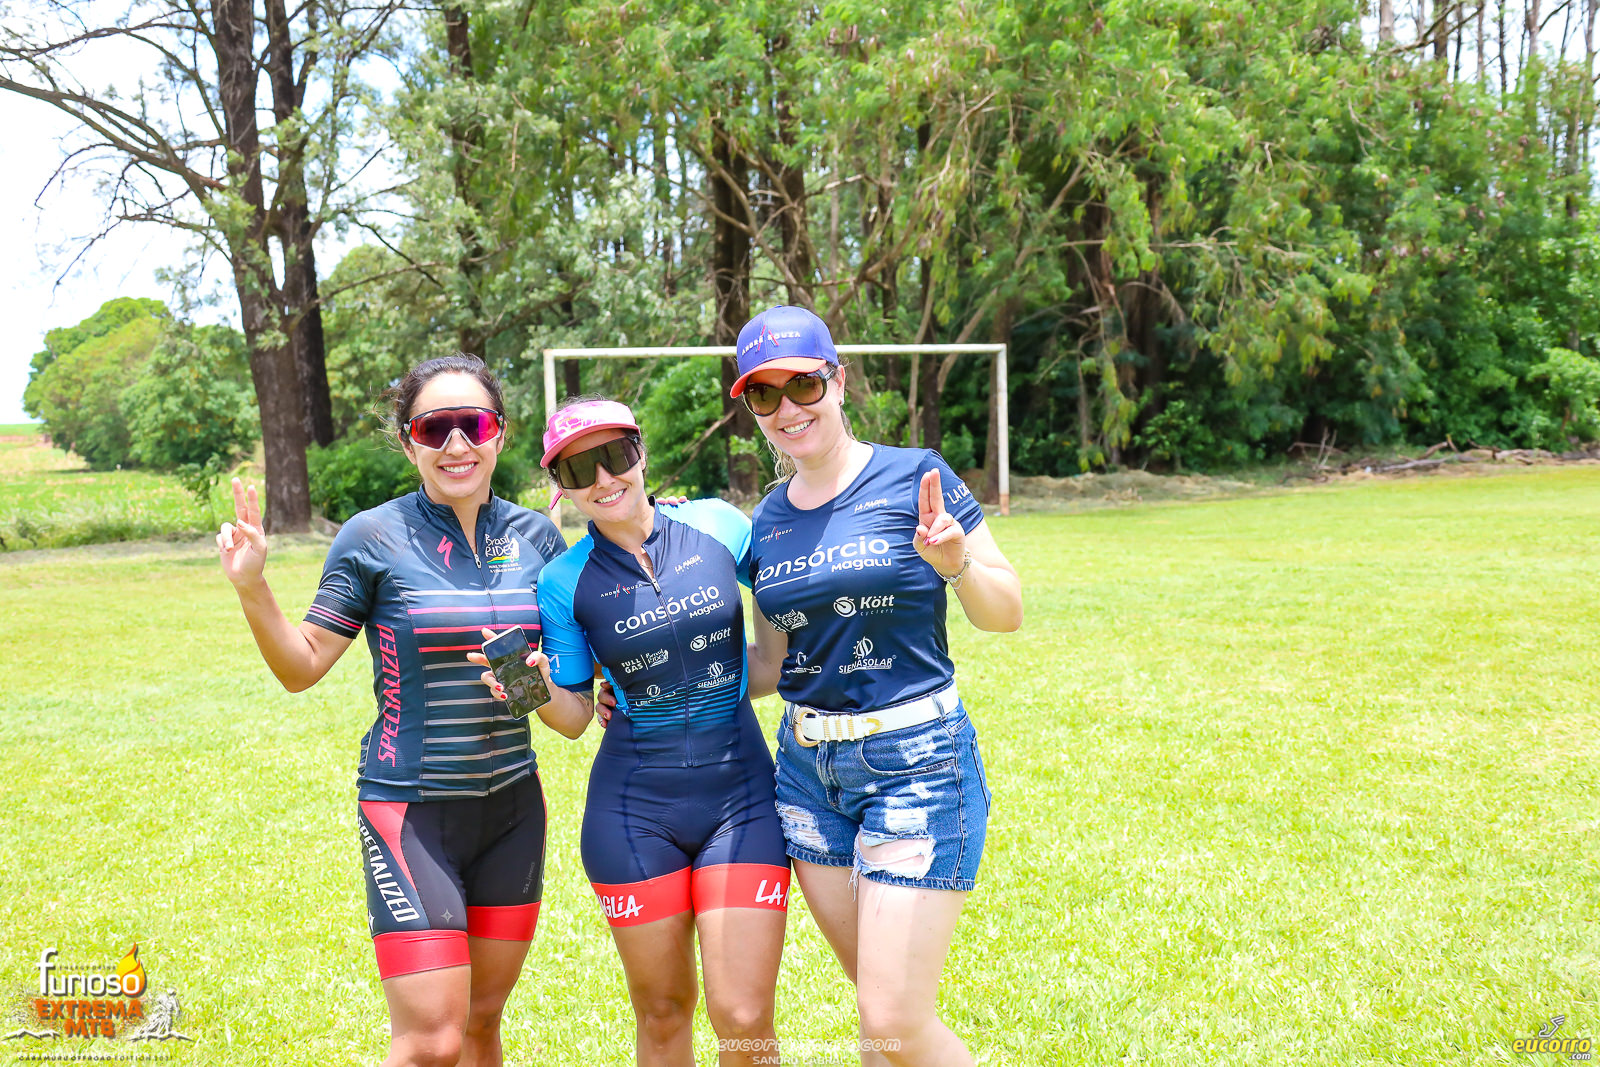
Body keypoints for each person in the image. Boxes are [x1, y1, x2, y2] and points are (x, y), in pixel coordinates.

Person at [216, 354, 567, 1067]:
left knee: (481, 1022)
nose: (456, 443)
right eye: (434, 427)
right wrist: (253, 587)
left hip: (513, 809)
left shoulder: (539, 538)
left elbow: (567, 695)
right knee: (431, 1040)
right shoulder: (372, 536)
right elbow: (301, 666)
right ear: (410, 443)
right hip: (411, 812)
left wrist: (547, 687)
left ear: (500, 433)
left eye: (474, 424)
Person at [732, 306, 1024, 1066]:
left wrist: (957, 563)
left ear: (839, 380)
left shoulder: (916, 475)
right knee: (879, 1019)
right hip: (807, 774)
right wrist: (654, 684)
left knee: (892, 1015)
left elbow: (1006, 612)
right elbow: (772, 664)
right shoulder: (766, 521)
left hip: (916, 761)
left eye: (803, 385)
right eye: (764, 394)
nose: (788, 408)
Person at [471, 397, 789, 1067]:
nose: (603, 479)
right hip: (633, 815)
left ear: (640, 453)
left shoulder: (719, 523)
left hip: (743, 800)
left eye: (615, 455)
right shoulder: (563, 580)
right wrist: (529, 687)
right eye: (578, 469)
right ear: (561, 485)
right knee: (664, 1011)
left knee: (744, 1014)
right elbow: (575, 717)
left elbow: (789, 600)